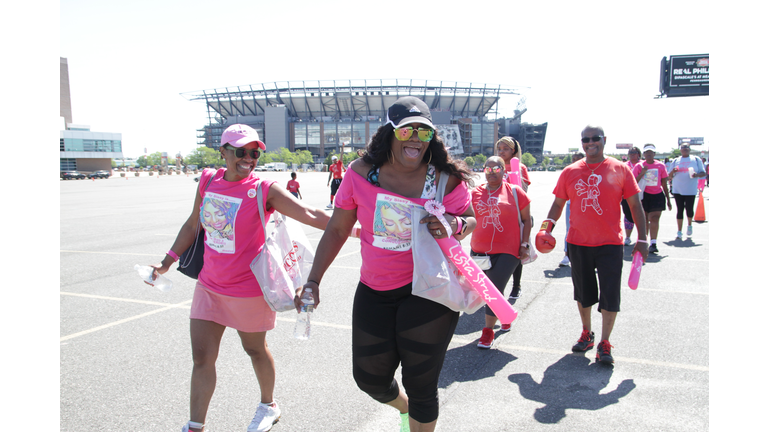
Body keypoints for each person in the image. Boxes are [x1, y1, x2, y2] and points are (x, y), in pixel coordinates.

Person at [296, 96, 476, 432]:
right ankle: (402, 407)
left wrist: (455, 225)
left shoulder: (444, 179)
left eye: (424, 133)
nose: (415, 140)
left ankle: (417, 415)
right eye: (407, 131)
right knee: (370, 378)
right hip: (375, 289)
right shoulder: (360, 174)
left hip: (429, 290)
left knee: (422, 384)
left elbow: (469, 219)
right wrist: (314, 281)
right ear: (390, 133)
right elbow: (338, 228)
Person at [147, 124, 330, 432]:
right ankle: (195, 426)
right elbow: (194, 225)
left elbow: (310, 214)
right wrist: (166, 262)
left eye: (254, 152)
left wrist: (357, 229)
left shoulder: (263, 189)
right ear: (223, 152)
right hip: (210, 286)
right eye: (240, 151)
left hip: (250, 290)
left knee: (255, 349)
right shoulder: (207, 181)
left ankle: (268, 405)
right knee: (202, 358)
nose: (248, 158)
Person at [539, 125, 648, 365]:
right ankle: (587, 333)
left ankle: (605, 342)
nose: (590, 142)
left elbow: (635, 206)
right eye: (586, 139)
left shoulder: (620, 169)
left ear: (604, 140)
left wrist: (642, 239)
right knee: (584, 293)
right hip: (578, 243)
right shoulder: (569, 172)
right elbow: (558, 205)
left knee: (610, 294)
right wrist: (545, 229)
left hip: (610, 243)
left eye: (595, 138)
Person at [471, 156, 531, 348]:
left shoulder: (515, 192)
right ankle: (504, 314)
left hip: (509, 250)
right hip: (479, 250)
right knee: (486, 289)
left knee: (493, 289)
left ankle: (488, 332)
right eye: (487, 169)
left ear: (504, 170)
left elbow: (527, 220)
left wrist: (524, 244)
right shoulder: (475, 193)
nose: (491, 173)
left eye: (496, 168)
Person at [495, 136, 531, 300]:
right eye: (499, 149)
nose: (502, 152)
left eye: (505, 149)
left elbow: (524, 191)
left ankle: (516, 286)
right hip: (498, 215)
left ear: (513, 150)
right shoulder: (494, 166)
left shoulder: (519, 166)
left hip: (517, 215)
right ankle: (495, 287)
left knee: (517, 252)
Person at [632, 144, 671, 254]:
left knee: (654, 218)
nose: (649, 154)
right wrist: (643, 173)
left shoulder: (660, 166)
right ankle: (643, 241)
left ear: (654, 154)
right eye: (647, 152)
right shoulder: (639, 166)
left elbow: (664, 182)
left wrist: (668, 199)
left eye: (651, 152)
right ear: (643, 154)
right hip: (643, 195)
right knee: (644, 220)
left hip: (657, 195)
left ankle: (653, 243)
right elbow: (633, 181)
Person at [668, 143, 707, 239]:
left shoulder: (696, 159)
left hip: (690, 189)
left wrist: (696, 175)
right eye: (683, 148)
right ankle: (679, 231)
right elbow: (669, 176)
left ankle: (689, 225)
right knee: (679, 209)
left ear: (690, 149)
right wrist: (673, 171)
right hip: (678, 189)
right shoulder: (676, 160)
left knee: (689, 209)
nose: (685, 149)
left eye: (686, 148)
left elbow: (703, 173)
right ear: (680, 150)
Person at [560, 152, 584, 266]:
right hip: (571, 205)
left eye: (578, 159)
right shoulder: (569, 172)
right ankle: (567, 255)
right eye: (573, 159)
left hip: (586, 205)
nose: (575, 161)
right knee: (569, 230)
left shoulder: (590, 171)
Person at [621, 147, 642, 246]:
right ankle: (628, 237)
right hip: (627, 194)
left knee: (641, 216)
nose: (632, 154)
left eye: (634, 153)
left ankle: (641, 237)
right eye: (630, 153)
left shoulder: (644, 164)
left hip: (643, 194)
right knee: (628, 216)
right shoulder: (624, 165)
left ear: (638, 154)